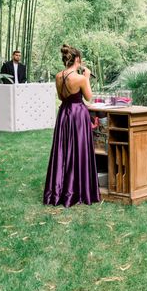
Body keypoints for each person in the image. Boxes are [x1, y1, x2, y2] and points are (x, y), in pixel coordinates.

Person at [43, 45, 100, 207]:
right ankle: (78, 190)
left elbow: (62, 97)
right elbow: (89, 98)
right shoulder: (81, 78)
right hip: (78, 114)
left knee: (64, 150)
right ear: (77, 60)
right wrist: (87, 77)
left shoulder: (58, 76)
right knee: (78, 150)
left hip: (64, 113)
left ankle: (60, 189)